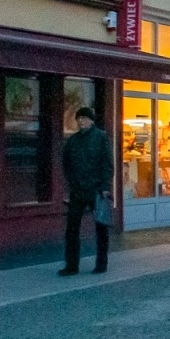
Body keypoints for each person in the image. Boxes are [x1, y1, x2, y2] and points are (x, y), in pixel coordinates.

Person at [60, 106, 113, 276]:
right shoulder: (73, 140)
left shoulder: (101, 137)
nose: (81, 121)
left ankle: (101, 263)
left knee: (101, 227)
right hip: (78, 189)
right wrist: (72, 182)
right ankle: (71, 265)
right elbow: (66, 163)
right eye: (79, 118)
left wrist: (105, 187)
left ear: (91, 120)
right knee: (72, 228)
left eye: (84, 118)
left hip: (96, 189)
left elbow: (107, 164)